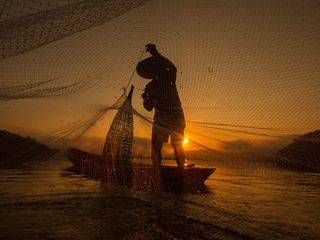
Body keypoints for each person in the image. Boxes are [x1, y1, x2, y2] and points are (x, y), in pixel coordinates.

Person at [136, 44, 185, 191]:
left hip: (174, 115)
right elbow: (149, 108)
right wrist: (146, 100)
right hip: (162, 118)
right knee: (156, 146)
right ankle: (158, 173)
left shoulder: (168, 76)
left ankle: (181, 173)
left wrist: (155, 53)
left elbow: (172, 67)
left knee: (177, 145)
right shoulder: (150, 87)